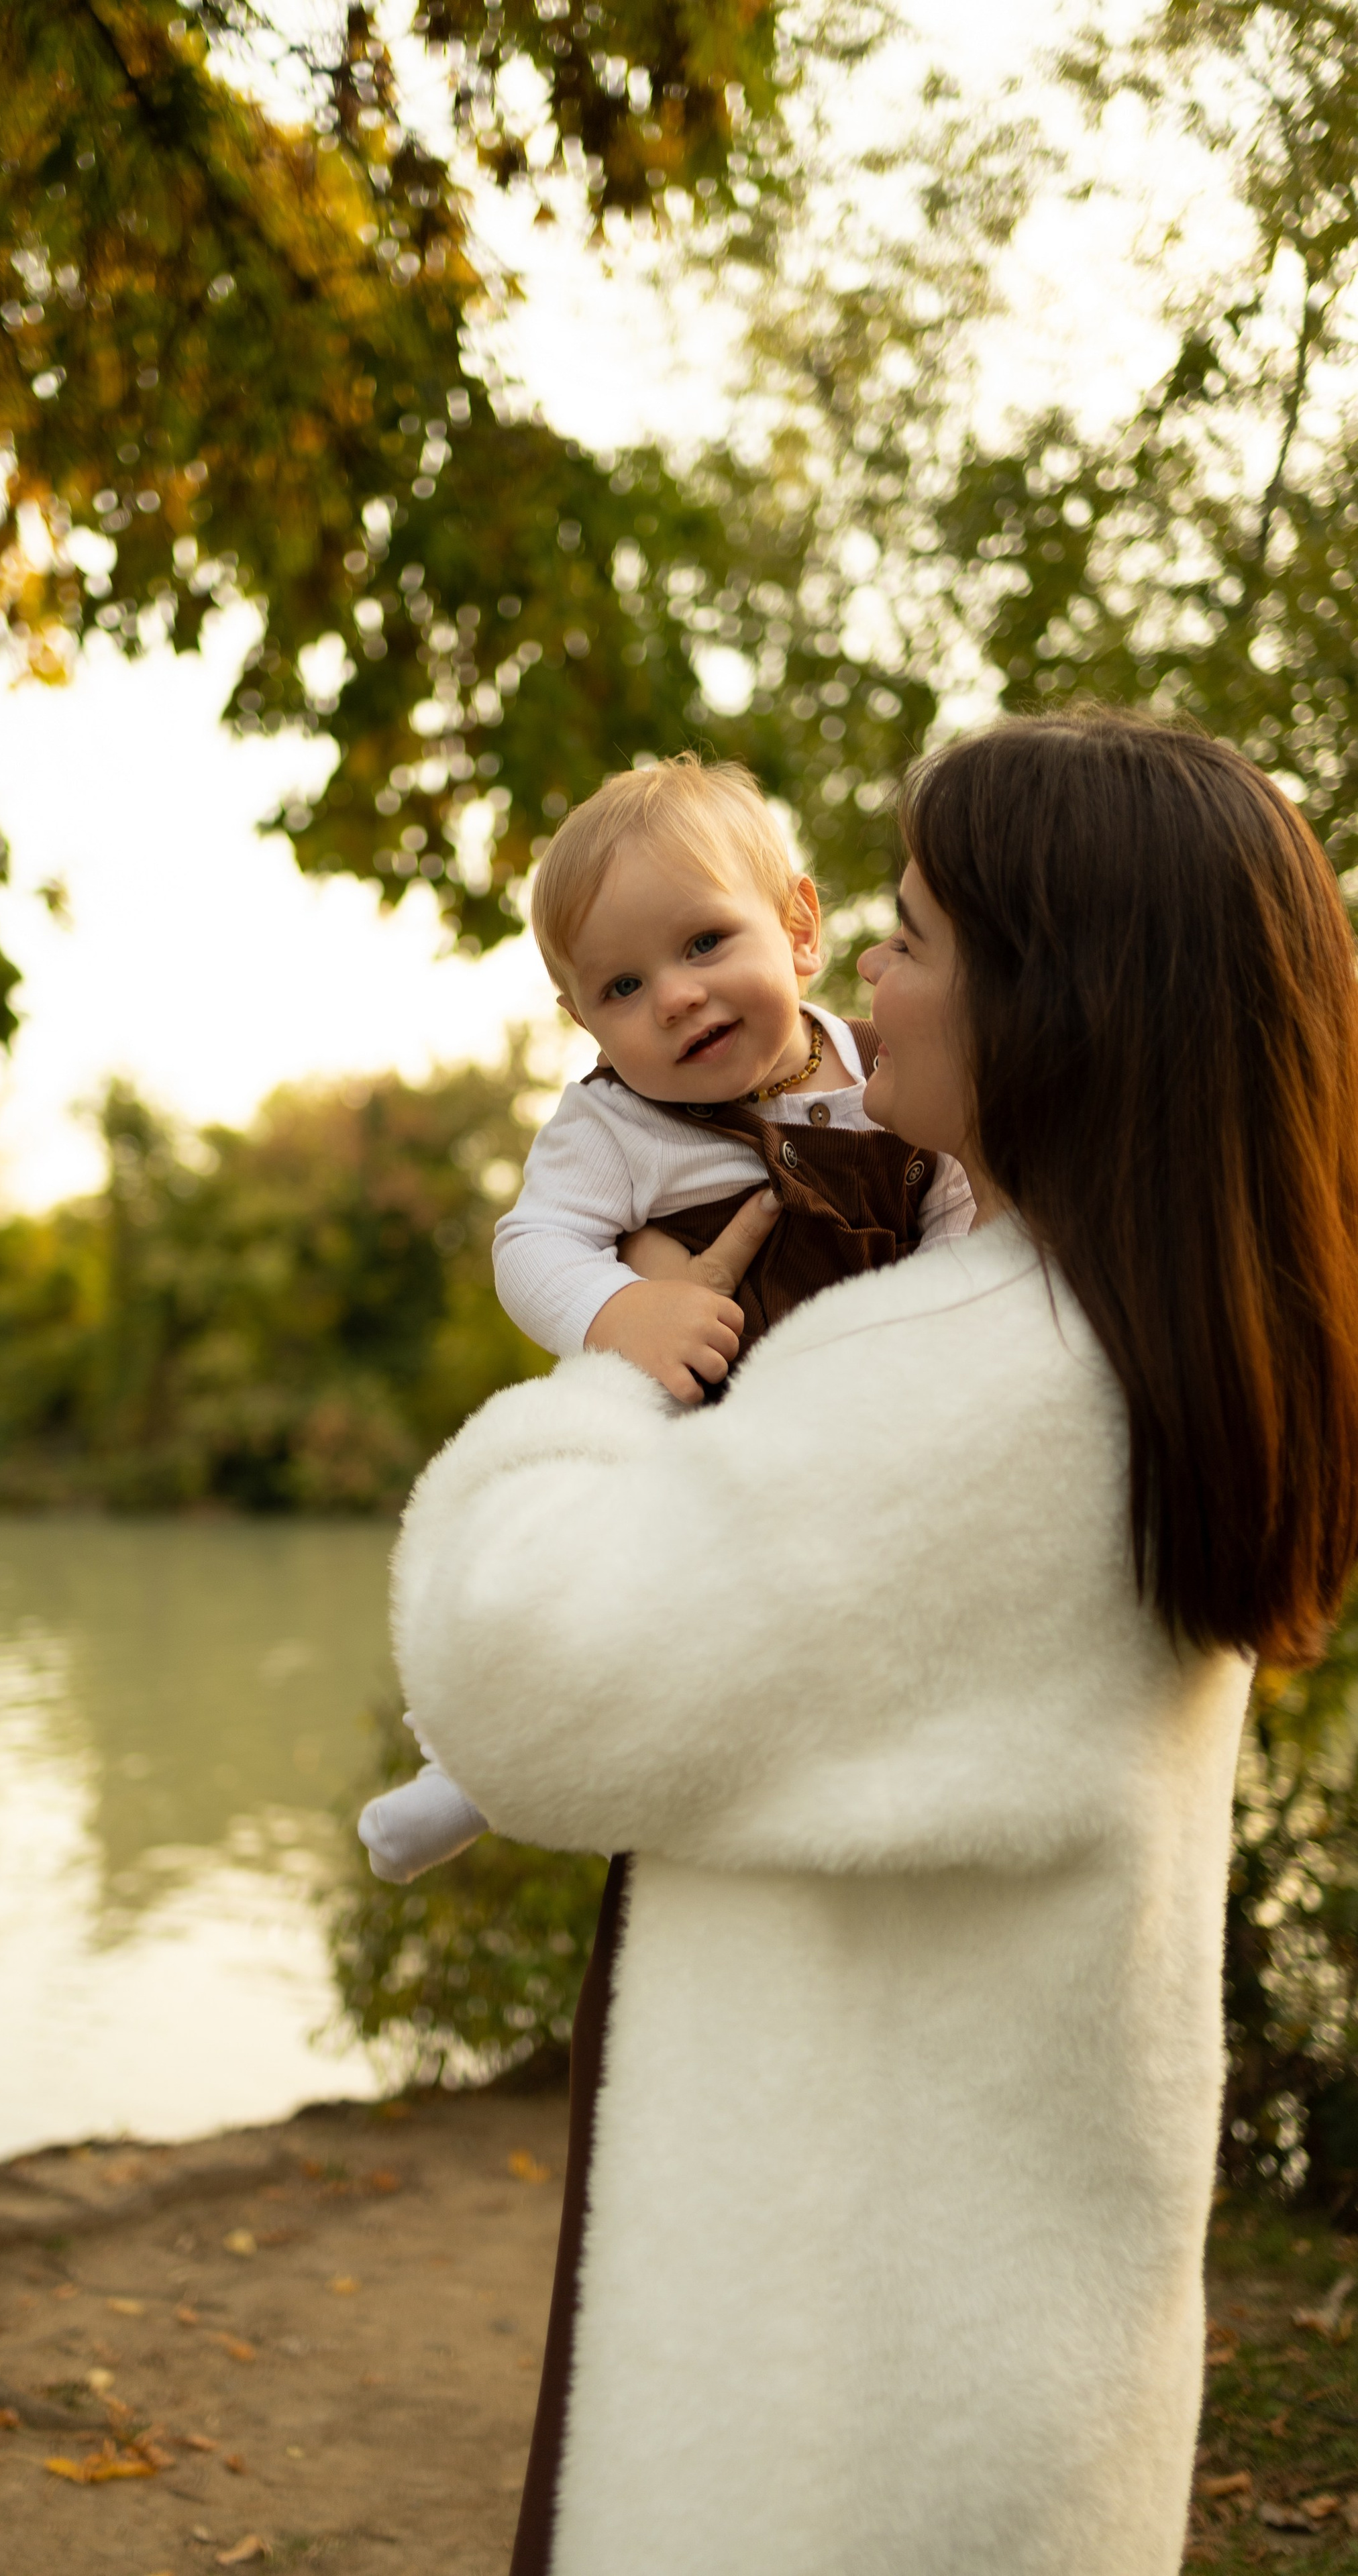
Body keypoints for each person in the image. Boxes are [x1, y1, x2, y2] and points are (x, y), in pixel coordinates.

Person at [390, 709, 1358, 2575]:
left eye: (908, 938)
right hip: (1005, 2267)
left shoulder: (950, 1379)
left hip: (824, 2320)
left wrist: (610, 1384)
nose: (872, 987)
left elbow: (519, 1673)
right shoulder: (1157, 1335)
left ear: (1054, 1000)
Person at [358, 755, 973, 1884]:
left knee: (797, 1623)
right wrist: (622, 1310)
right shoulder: (615, 1126)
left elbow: (953, 1201)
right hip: (701, 1418)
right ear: (582, 1022)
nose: (675, 997)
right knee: (602, 1596)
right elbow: (531, 1245)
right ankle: (478, 1759)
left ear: (798, 928)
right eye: (622, 988)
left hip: (861, 1413)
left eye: (703, 943)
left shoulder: (886, 1070)